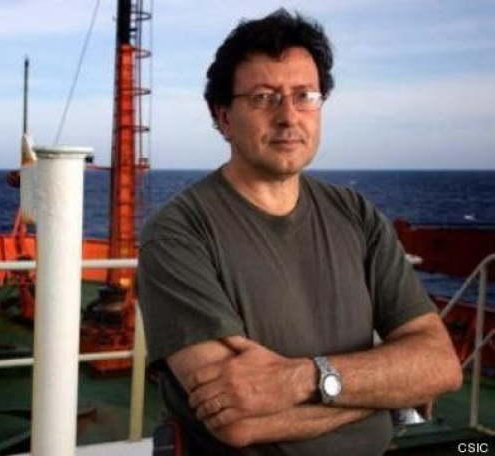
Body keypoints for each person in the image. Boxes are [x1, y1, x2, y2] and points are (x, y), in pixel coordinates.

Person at [137, 9, 462, 456]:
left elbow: (440, 365)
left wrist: (300, 379)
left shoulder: (356, 214)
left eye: (304, 96)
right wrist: (389, 393)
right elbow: (239, 421)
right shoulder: (179, 233)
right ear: (223, 117)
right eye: (263, 97)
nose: (288, 116)